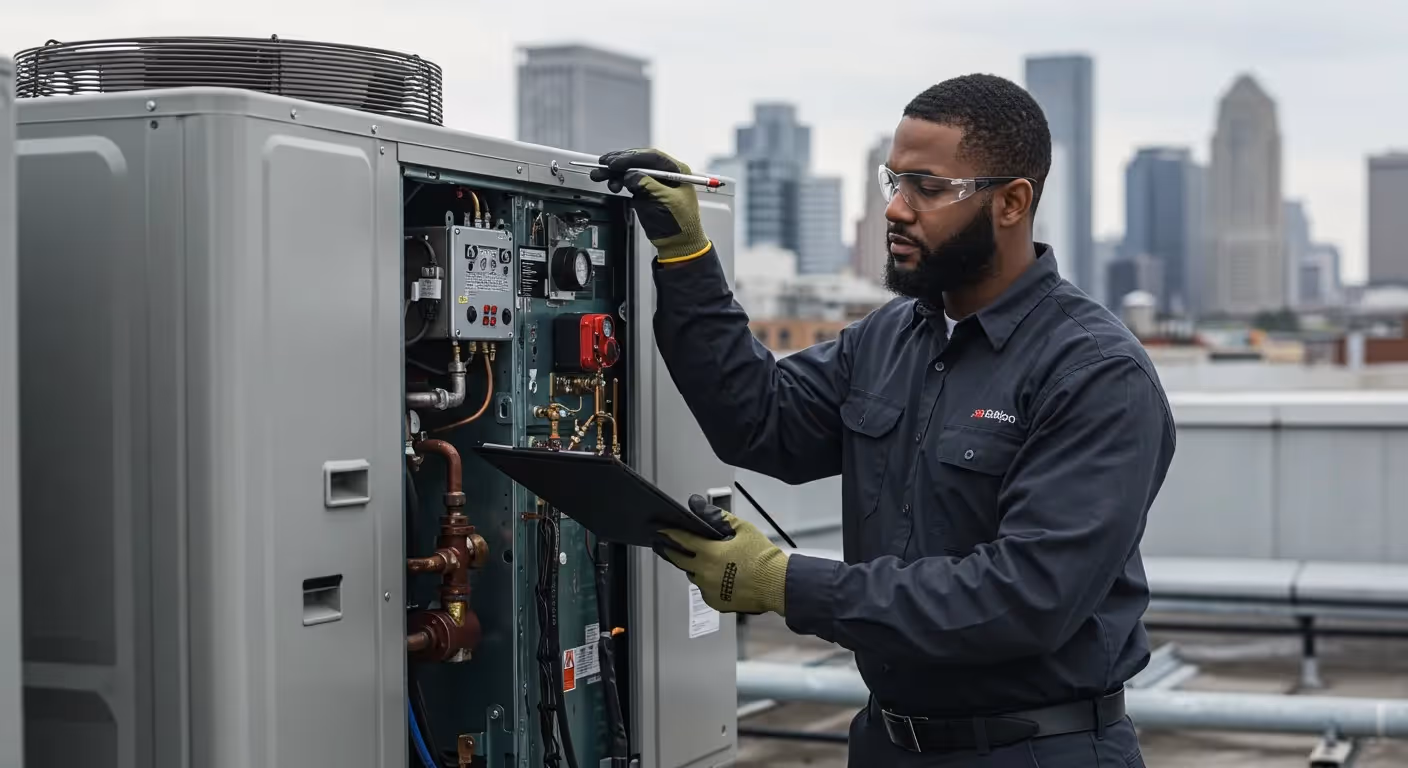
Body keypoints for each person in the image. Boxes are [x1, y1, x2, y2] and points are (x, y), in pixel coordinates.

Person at [592, 72, 1174, 767]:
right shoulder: (889, 337)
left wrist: (787, 583)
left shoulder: (1095, 373)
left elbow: (1026, 597)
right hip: (887, 743)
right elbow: (760, 420)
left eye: (927, 188)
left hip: (1039, 750)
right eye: (893, 181)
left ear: (1013, 202)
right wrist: (687, 259)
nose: (897, 209)